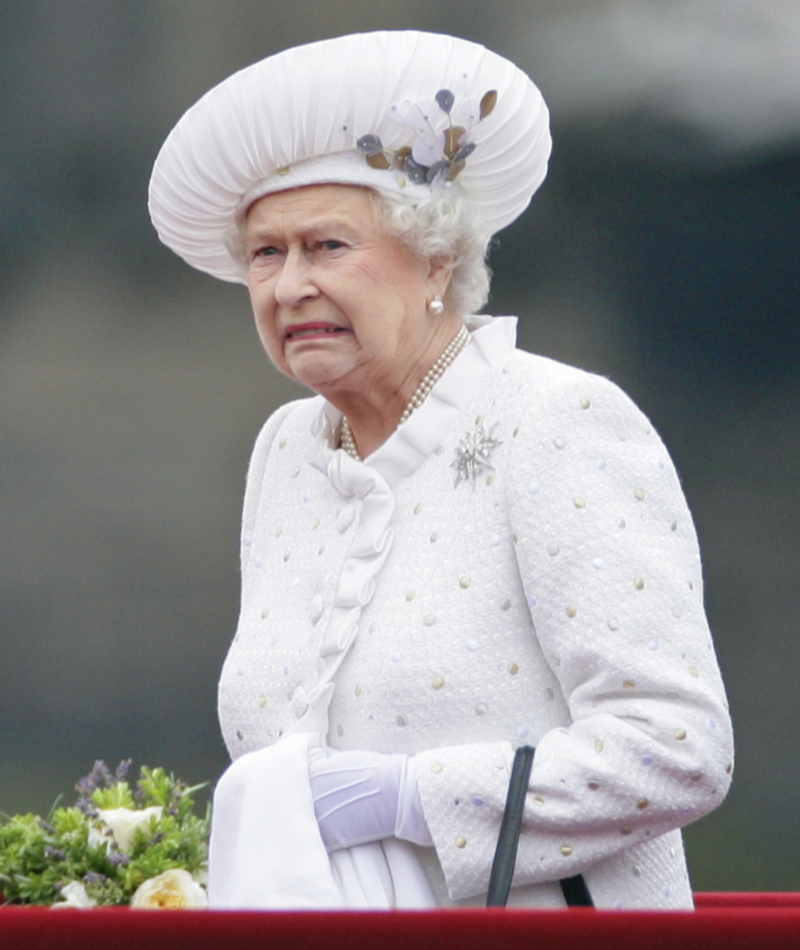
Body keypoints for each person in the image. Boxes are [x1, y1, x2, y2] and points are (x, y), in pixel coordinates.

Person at [148, 30, 733, 910]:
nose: (289, 286)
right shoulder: (285, 452)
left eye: (328, 247)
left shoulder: (557, 422)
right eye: (266, 255)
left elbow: (678, 747)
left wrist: (411, 799)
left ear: (437, 262)